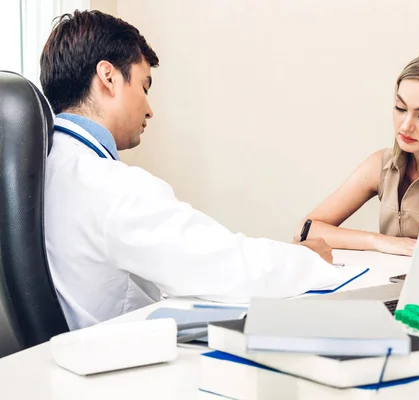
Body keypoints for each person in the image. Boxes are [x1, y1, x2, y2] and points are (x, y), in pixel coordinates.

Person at [40, 10, 341, 330]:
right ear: (109, 77)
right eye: (144, 86)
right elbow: (226, 267)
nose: (149, 109)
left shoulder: (40, 168)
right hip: (114, 360)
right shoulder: (110, 187)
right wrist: (307, 258)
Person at [295, 51, 419, 256]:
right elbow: (305, 230)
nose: (406, 126)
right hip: (388, 288)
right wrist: (379, 241)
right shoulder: (381, 165)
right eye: (400, 108)